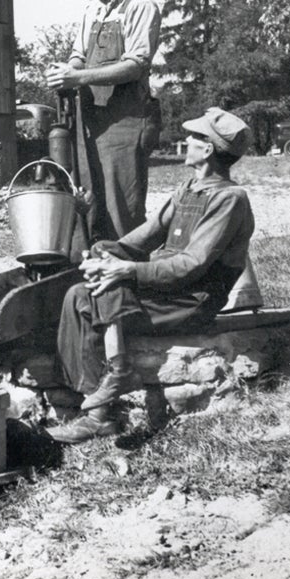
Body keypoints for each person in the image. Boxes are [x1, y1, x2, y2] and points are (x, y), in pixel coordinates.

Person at [50, 107, 255, 444]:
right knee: (77, 295)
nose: (186, 139)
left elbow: (192, 265)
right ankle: (92, 404)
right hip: (166, 290)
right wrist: (106, 252)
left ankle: (113, 385)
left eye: (195, 136)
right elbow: (146, 236)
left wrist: (127, 270)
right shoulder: (188, 188)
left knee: (106, 290)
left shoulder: (229, 200)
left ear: (208, 150)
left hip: (193, 298)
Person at [45, 0, 162, 244]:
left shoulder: (141, 5)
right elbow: (78, 56)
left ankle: (128, 287)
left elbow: (136, 65)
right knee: (85, 209)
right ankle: (88, 287)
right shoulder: (92, 9)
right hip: (90, 126)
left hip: (126, 126)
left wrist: (78, 77)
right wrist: (65, 71)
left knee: (122, 213)